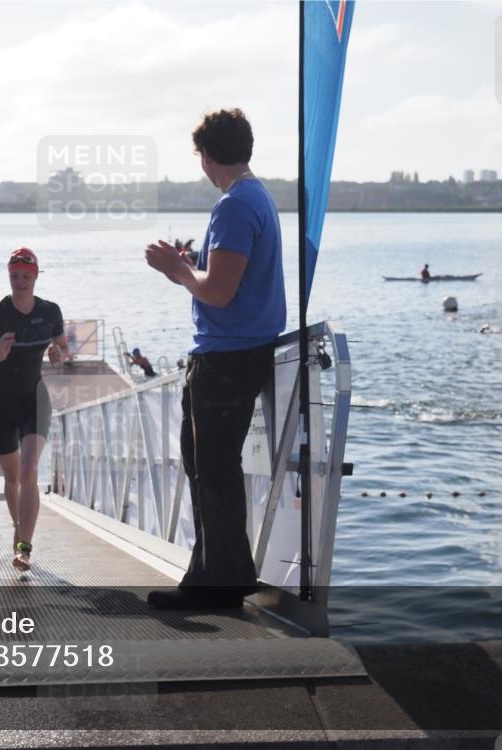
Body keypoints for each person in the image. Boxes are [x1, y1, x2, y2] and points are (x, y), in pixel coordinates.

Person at [144, 108, 286, 609]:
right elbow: (230, 281)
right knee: (209, 467)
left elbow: (220, 293)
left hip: (227, 357)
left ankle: (216, 585)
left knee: (213, 470)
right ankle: (215, 576)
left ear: (207, 156)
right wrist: (191, 266)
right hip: (243, 351)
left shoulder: (233, 206)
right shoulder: (257, 196)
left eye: (199, 155)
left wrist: (175, 270)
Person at [0, 248, 69, 572]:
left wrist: (59, 356)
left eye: (26, 276)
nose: (20, 282)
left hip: (35, 398)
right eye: (14, 276)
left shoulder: (51, 312)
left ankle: (24, 548)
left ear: (36, 277)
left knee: (30, 470)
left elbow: (62, 348)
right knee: (12, 478)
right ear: (9, 276)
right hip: (1, 402)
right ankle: (18, 527)